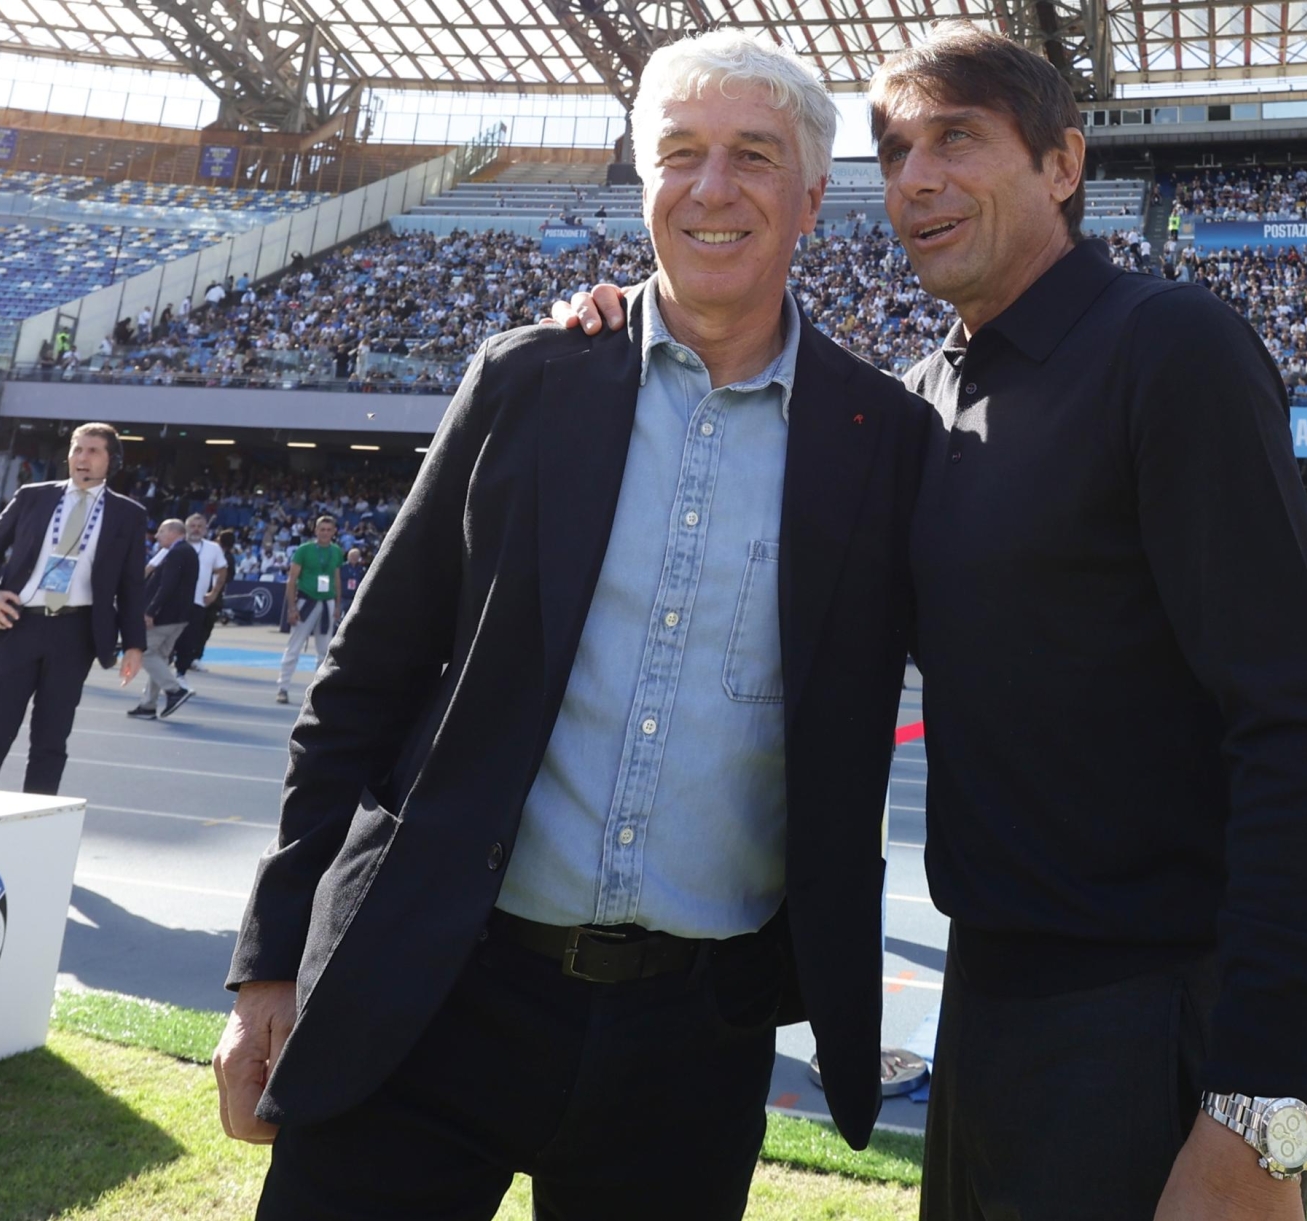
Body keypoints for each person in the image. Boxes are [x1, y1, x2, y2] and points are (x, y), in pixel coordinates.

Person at [552, 24, 1307, 1221]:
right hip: (989, 1007)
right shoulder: (921, 403)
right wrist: (634, 331)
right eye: (892, 153)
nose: (916, 179)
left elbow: (1297, 730)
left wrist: (1265, 1106)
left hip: (1149, 1014)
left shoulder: (1168, 349)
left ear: (1064, 165)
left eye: (957, 139)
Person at [214, 31, 930, 1221]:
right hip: (437, 987)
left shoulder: (886, 442)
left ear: (813, 196)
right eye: (681, 154)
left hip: (694, 1039)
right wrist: (271, 959)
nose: (712, 189)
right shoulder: (529, 379)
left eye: (753, 156)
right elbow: (365, 680)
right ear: (641, 179)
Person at [0, 423, 146, 793]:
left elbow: (130, 585)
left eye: (93, 451)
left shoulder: (128, 514)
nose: (82, 458)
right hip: (16, 625)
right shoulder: (33, 496)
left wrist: (134, 643)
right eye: (77, 449)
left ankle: (38, 831)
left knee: (50, 741)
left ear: (112, 461)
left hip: (75, 635)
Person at [131, 519, 199, 721]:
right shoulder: (187, 552)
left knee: (145, 652)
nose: (157, 535)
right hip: (179, 616)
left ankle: (175, 690)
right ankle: (148, 705)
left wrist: (151, 611)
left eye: (161, 531)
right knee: (159, 658)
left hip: (166, 616)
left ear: (174, 532)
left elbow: (167, 586)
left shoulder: (178, 553)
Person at [276, 515, 343, 705]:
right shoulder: (304, 550)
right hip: (306, 602)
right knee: (294, 647)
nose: (325, 533)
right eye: (322, 529)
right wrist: (291, 608)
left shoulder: (336, 551)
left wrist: (337, 606)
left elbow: (337, 579)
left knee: (325, 651)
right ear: (315, 531)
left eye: (329, 530)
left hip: (327, 603)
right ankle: (283, 687)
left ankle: (318, 692)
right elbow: (292, 580)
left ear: (334, 532)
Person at [173, 514, 229, 677]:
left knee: (189, 639)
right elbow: (152, 566)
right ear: (185, 527)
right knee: (168, 640)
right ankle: (160, 678)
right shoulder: (176, 545)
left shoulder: (213, 548)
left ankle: (180, 675)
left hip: (197, 601)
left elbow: (222, 570)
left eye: (199, 526)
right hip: (172, 601)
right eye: (192, 526)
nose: (196, 529)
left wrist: (214, 592)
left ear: (205, 529)